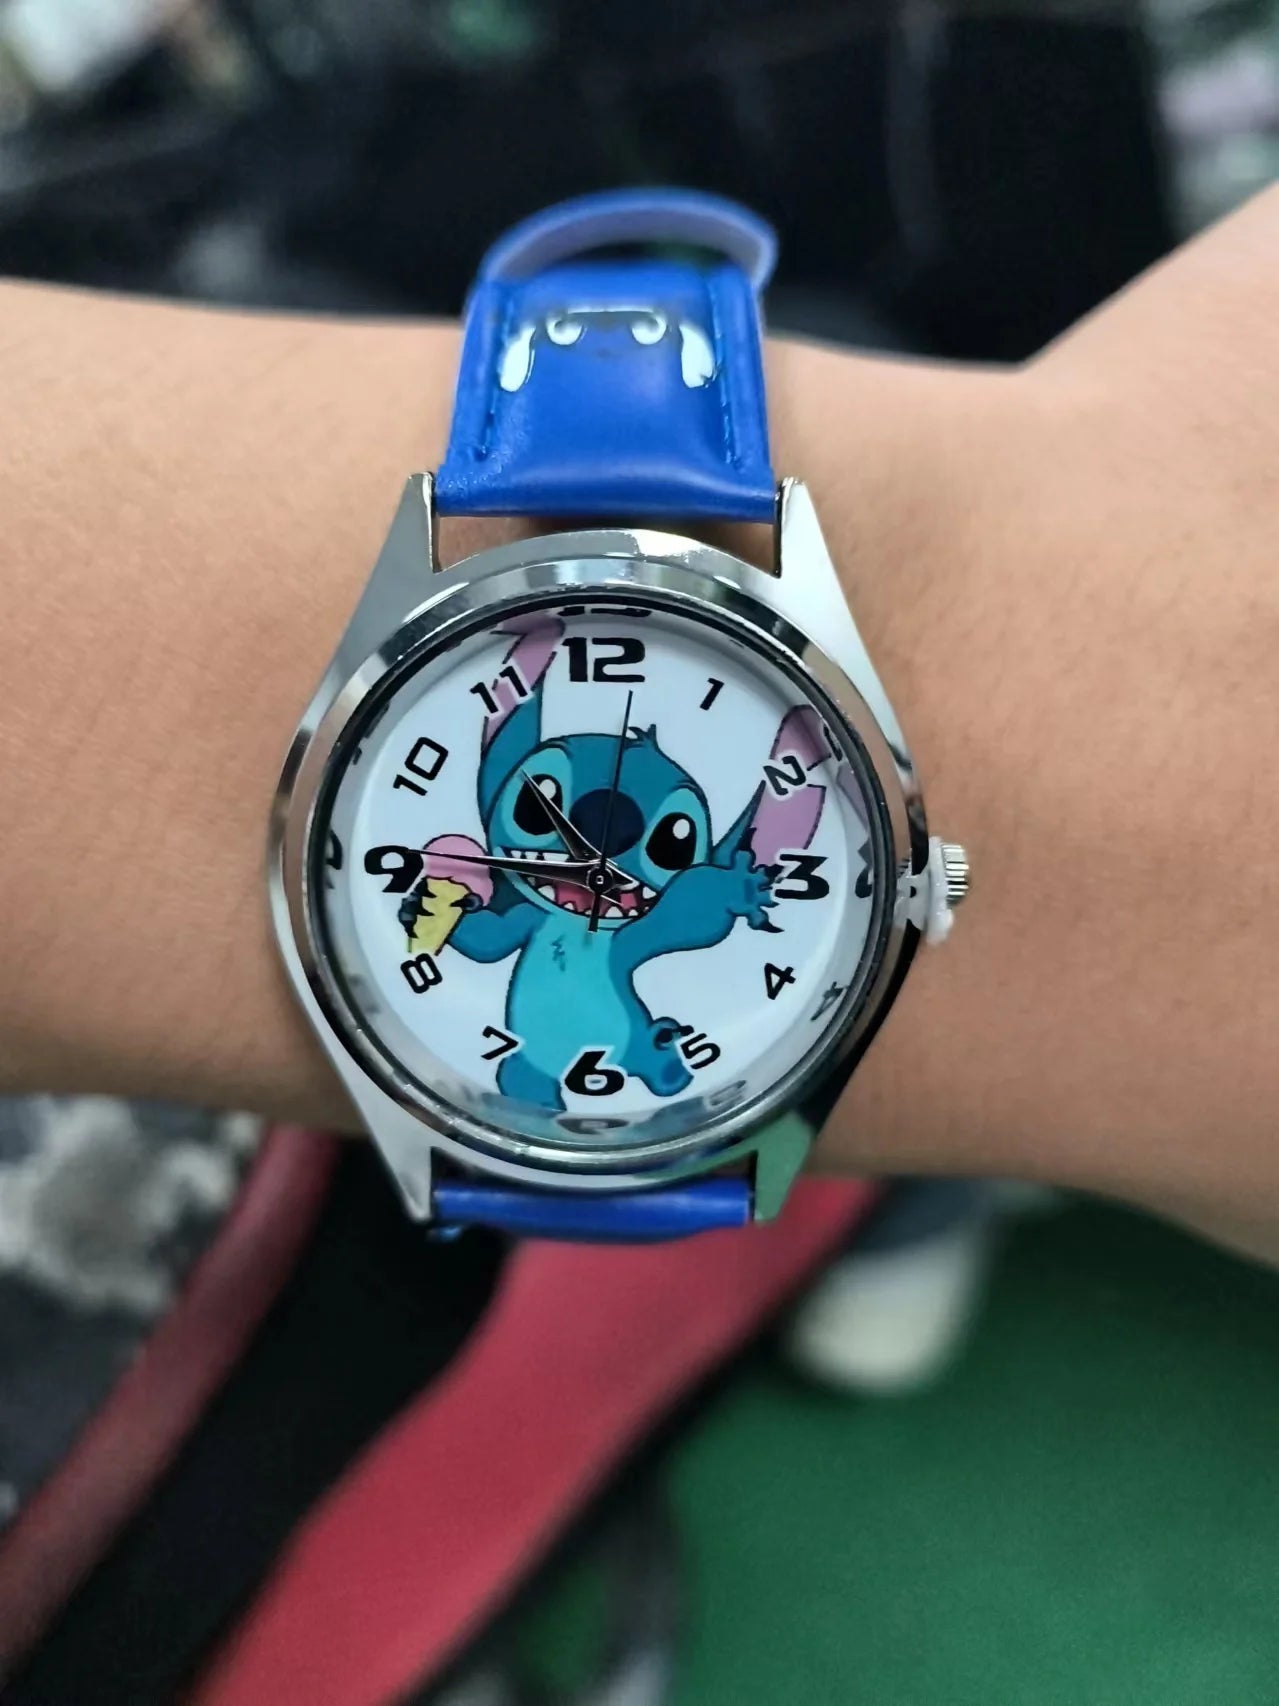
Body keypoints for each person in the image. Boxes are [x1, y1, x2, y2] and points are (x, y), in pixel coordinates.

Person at [2, 184, 1277, 1267]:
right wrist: (447, 895)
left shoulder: (630, 879)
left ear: (919, 883)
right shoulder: (553, 870)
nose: (602, 862)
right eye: (551, 819)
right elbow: (512, 907)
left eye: (655, 838)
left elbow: (719, 880)